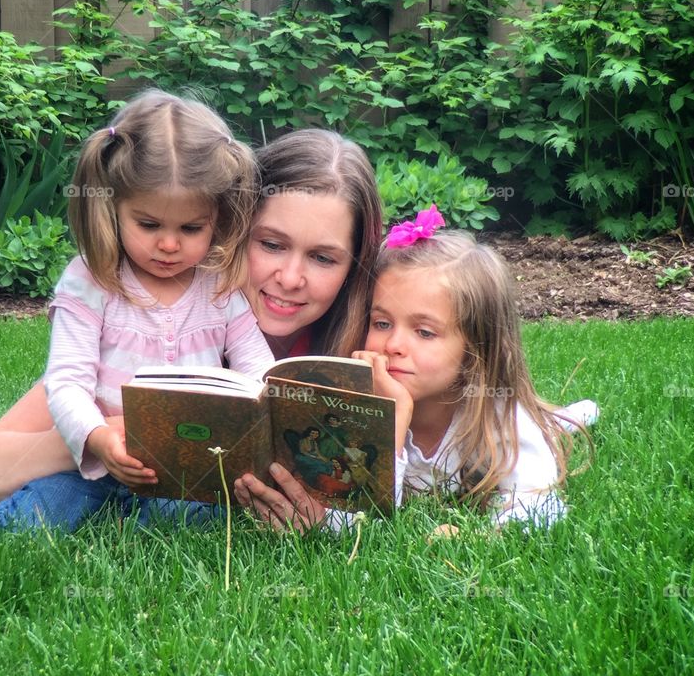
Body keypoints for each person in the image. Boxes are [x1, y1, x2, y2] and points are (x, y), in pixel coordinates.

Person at [0, 125, 383, 523]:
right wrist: (123, 431)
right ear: (228, 229)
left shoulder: (358, 358)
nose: (290, 278)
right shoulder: (149, 324)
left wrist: (322, 520)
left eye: (323, 257)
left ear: (354, 267)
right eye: (270, 244)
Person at [0, 90, 275, 532]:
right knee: (35, 517)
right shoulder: (92, 281)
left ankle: (137, 522)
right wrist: (97, 439)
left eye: (191, 228)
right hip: (93, 462)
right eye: (148, 224)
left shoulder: (220, 287)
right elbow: (66, 380)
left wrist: (266, 405)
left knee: (195, 523)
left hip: (184, 467)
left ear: (219, 215)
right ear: (112, 208)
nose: (169, 244)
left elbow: (257, 367)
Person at [234, 208, 597, 536]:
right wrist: (387, 424)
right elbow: (360, 515)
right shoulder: (356, 407)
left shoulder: (500, 420)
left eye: (424, 332)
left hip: (511, 420)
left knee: (545, 428)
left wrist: (481, 537)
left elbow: (538, 510)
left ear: (475, 350)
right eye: (381, 322)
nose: (393, 345)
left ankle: (564, 418)